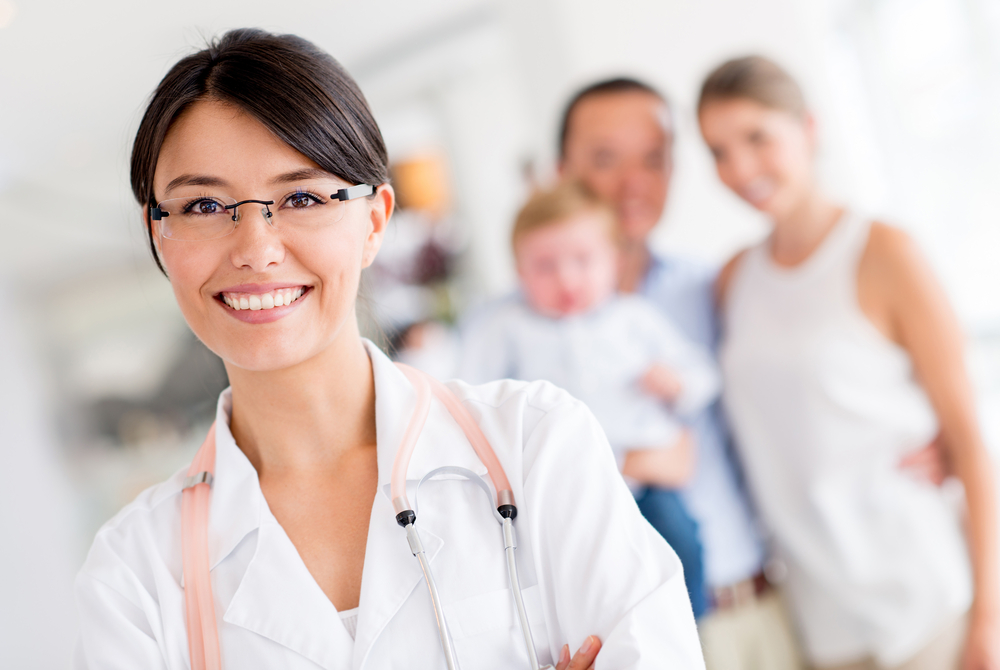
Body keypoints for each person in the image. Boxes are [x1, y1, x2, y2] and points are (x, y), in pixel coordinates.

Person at [72, 29, 706, 670]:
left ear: (374, 221)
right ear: (159, 235)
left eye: (301, 197)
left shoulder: (535, 443)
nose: (255, 249)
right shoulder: (136, 572)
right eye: (204, 204)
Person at [700, 55, 1000, 670]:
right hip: (820, 623)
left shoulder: (884, 251)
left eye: (758, 138)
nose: (740, 168)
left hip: (927, 604)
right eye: (719, 151)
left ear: (808, 128)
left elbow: (969, 438)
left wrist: (990, 623)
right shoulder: (733, 280)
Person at [558, 78, 801, 668]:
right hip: (633, 637)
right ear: (563, 169)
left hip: (757, 611)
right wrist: (629, 465)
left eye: (654, 159)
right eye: (606, 159)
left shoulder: (715, 287)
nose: (632, 183)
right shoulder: (518, 328)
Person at [459, 180, 720, 617]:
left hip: (646, 480)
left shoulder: (633, 319)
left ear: (613, 261)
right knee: (574, 573)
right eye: (544, 266)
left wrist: (676, 382)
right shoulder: (507, 328)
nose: (566, 279)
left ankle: (688, 627)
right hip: (562, 484)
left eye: (583, 261)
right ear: (520, 273)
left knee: (681, 543)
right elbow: (468, 393)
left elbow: (702, 375)